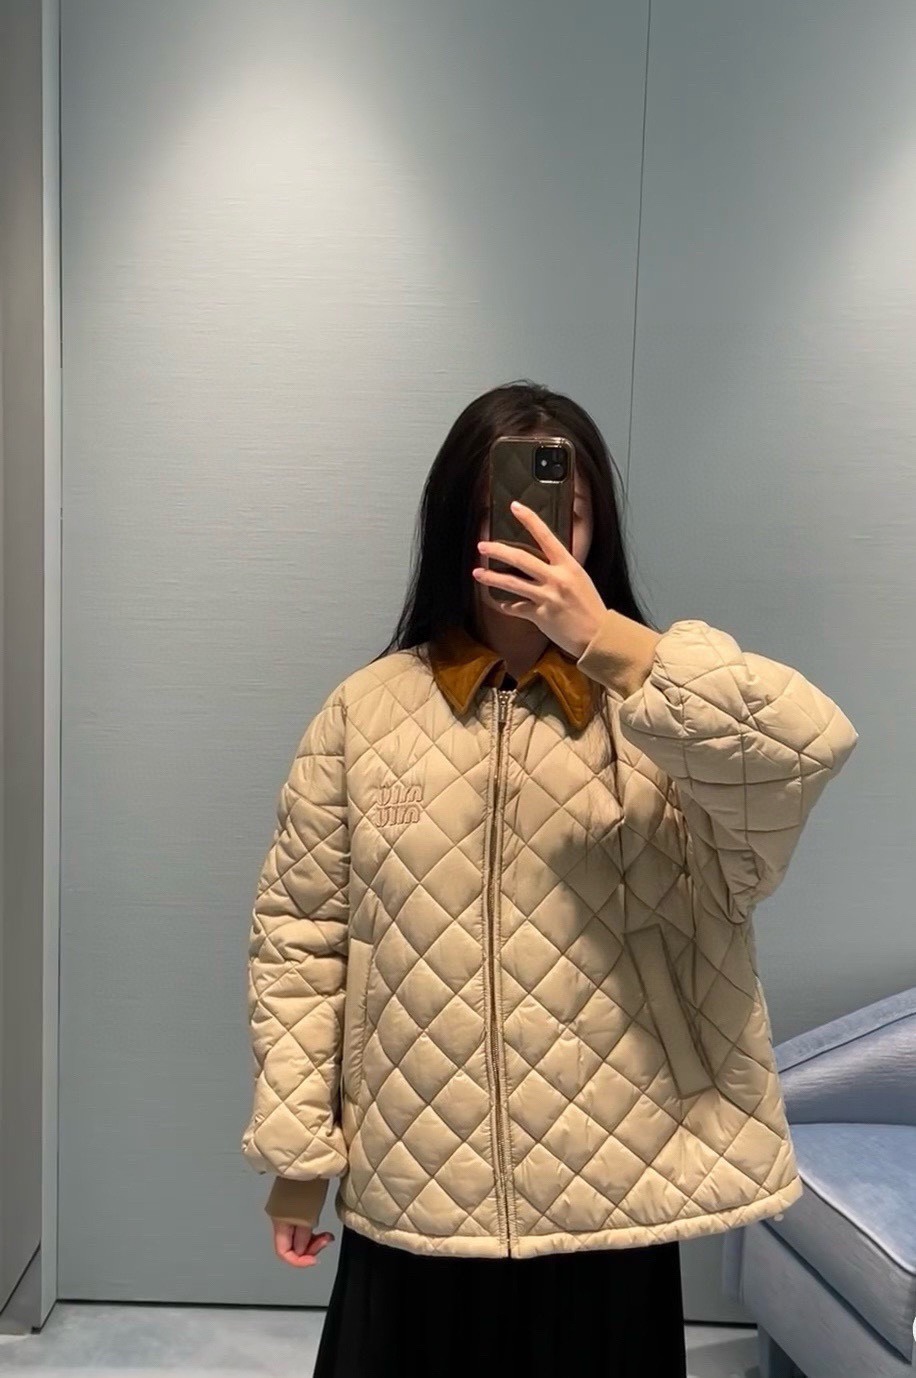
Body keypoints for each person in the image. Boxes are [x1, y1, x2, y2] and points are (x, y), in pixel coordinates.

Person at [241, 380, 859, 1377]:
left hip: (612, 1188)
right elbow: (300, 942)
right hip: (416, 1182)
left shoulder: (659, 713)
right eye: (501, 503)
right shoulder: (363, 714)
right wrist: (297, 1162)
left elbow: (803, 748)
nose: (530, 529)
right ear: (457, 520)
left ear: (596, 528)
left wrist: (606, 641)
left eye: (562, 508)